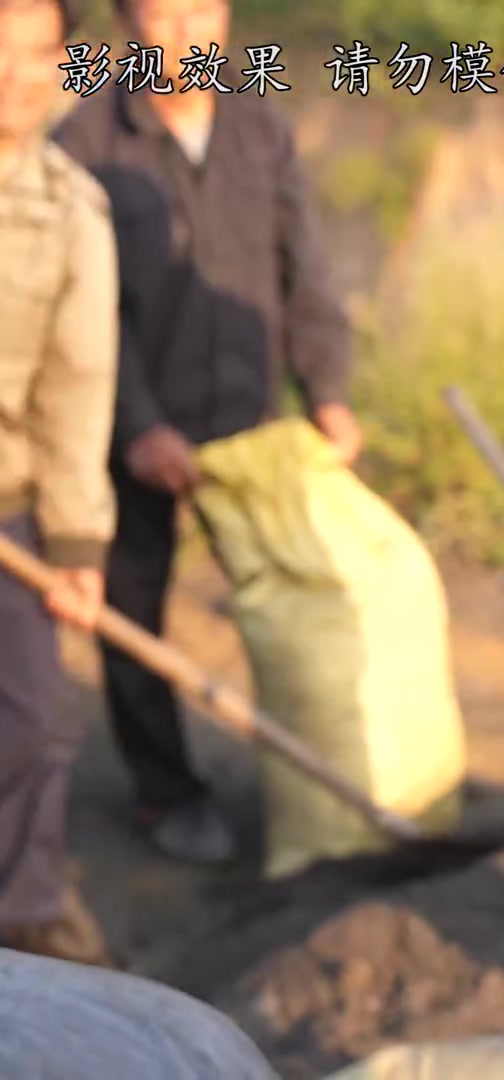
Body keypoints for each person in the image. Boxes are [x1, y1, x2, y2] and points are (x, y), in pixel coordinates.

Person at [53, 0, 360, 866]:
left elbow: (305, 268)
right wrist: (140, 429)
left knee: (296, 599)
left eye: (203, 10)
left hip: (249, 420)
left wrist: (327, 390)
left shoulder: (258, 122)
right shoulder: (87, 141)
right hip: (136, 434)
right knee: (133, 612)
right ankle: (165, 791)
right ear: (125, 22)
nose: (187, 34)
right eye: (163, 14)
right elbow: (85, 318)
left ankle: (314, 785)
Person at [0, 0, 120, 966]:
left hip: (10, 517)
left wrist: (77, 545)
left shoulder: (72, 208)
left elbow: (78, 390)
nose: (16, 76)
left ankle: (26, 921)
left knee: (39, 729)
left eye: (36, 55)